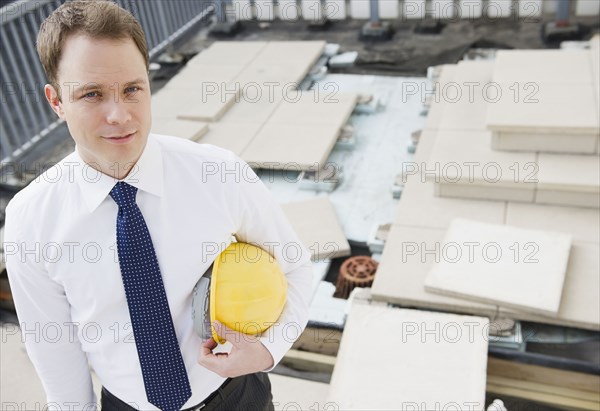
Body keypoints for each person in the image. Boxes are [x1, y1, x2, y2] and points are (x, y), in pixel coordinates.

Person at [3, 1, 313, 410]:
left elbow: (296, 266)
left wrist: (270, 348)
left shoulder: (218, 174)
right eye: (92, 94)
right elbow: (55, 349)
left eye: (132, 89)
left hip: (236, 398)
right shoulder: (31, 219)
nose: (119, 115)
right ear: (56, 101)